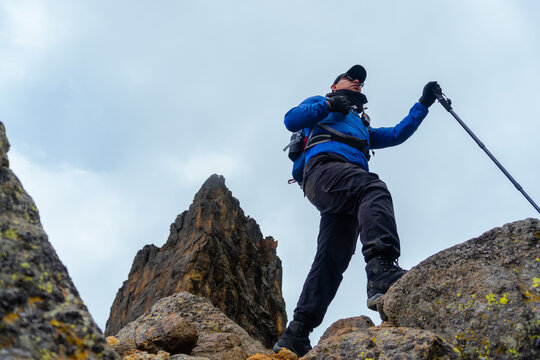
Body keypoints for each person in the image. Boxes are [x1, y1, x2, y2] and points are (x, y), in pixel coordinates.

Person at [274, 65, 441, 356]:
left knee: (331, 259)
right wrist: (327, 104)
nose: (356, 82)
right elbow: (291, 119)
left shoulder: (361, 124)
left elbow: (397, 134)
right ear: (335, 86)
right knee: (372, 189)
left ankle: (296, 333)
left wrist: (423, 104)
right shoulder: (321, 103)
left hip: (338, 185)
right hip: (324, 170)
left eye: (360, 81)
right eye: (350, 78)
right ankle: (380, 270)